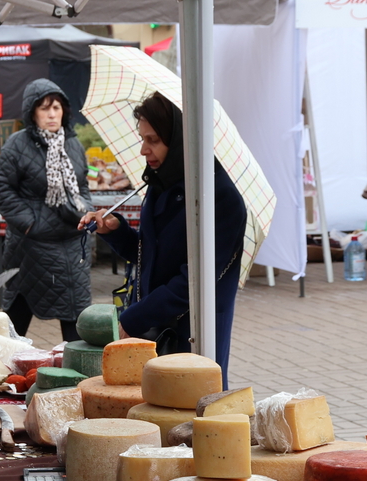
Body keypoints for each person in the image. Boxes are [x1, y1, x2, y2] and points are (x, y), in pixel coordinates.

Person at [78, 92, 247, 381]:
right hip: (152, 333)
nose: (144, 150)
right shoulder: (159, 185)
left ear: (181, 138)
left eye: (153, 140)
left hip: (192, 336)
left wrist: (133, 320)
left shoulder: (220, 198)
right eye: (142, 139)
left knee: (188, 413)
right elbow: (148, 255)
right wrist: (116, 230)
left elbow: (193, 283)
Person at [0, 79, 92, 341]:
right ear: (32, 112)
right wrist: (30, 223)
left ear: (65, 111)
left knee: (77, 331)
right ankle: (2, 374)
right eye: (44, 108)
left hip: (72, 248)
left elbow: (82, 187)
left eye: (57, 107)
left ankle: (79, 379)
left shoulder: (73, 145)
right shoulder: (17, 144)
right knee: (14, 328)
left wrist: (87, 213)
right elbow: (2, 189)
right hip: (31, 248)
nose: (51, 114)